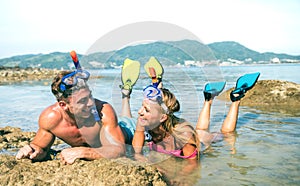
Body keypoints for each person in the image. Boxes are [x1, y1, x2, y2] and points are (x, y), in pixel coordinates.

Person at [16, 69, 133, 164]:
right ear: (63, 105)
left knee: (133, 121)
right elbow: (40, 148)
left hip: (129, 130)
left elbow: (119, 149)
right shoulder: (50, 118)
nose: (91, 103)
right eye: (82, 101)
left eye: (90, 96)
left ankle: (126, 97)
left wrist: (83, 152)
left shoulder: (103, 109)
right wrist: (31, 150)